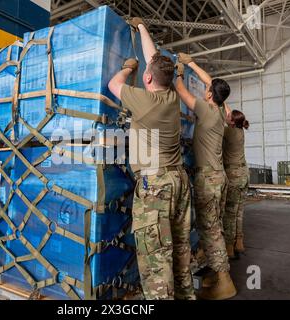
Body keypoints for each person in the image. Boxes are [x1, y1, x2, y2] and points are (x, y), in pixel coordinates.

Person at [108, 18, 195, 300]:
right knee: (180, 248)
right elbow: (153, 58)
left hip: (156, 185)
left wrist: (126, 68)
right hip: (178, 179)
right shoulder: (171, 98)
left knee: (155, 257)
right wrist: (143, 28)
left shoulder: (143, 102)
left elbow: (113, 84)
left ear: (147, 79)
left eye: (145, 71)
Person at [174, 54, 237, 300]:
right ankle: (217, 271)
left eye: (208, 89)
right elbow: (210, 80)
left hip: (208, 179)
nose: (206, 89)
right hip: (219, 177)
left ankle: (224, 281)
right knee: (215, 226)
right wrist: (191, 63)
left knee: (209, 229)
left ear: (210, 95)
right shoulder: (222, 110)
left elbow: (180, 89)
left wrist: (179, 71)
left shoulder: (206, 109)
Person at [222, 107, 250, 258]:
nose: (226, 115)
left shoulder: (228, 132)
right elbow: (230, 115)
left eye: (229, 116)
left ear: (232, 122)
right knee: (239, 212)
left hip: (233, 176)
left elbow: (215, 124)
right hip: (244, 175)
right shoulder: (240, 130)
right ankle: (239, 242)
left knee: (230, 214)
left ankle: (229, 247)